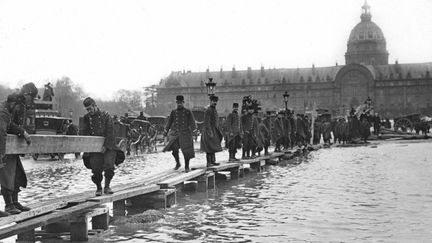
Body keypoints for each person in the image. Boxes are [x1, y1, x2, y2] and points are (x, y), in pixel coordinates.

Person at [0, 94, 32, 216]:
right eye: (19, 106)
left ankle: (14, 202)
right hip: (2, 148)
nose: (20, 110)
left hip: (7, 149)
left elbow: (10, 125)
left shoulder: (7, 111)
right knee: (6, 176)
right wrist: (1, 154)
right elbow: (1, 134)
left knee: (17, 174)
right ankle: (9, 205)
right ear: (14, 103)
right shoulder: (2, 112)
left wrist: (22, 132)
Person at [81, 97, 116, 196]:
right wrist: (88, 144)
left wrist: (106, 145)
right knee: (96, 168)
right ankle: (99, 188)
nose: (89, 111)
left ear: (95, 106)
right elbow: (84, 132)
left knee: (109, 165)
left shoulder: (106, 116)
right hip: (94, 147)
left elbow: (110, 132)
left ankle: (107, 186)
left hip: (108, 145)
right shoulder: (86, 118)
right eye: (87, 110)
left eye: (90, 109)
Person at [162, 95, 196, 172]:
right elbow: (169, 122)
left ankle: (187, 167)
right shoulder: (173, 112)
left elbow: (192, 121)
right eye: (178, 103)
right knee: (174, 149)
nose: (179, 104)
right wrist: (165, 132)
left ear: (183, 102)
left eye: (181, 102)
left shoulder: (188, 111)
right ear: (176, 103)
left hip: (185, 133)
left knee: (186, 151)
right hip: (176, 134)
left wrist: (194, 130)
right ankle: (178, 163)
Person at [200, 95, 222, 167]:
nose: (214, 103)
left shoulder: (214, 110)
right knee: (209, 147)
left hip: (214, 130)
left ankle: (213, 161)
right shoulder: (208, 110)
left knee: (213, 146)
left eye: (215, 101)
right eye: (213, 101)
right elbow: (207, 122)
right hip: (208, 130)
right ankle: (209, 162)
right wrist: (209, 132)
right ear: (210, 101)